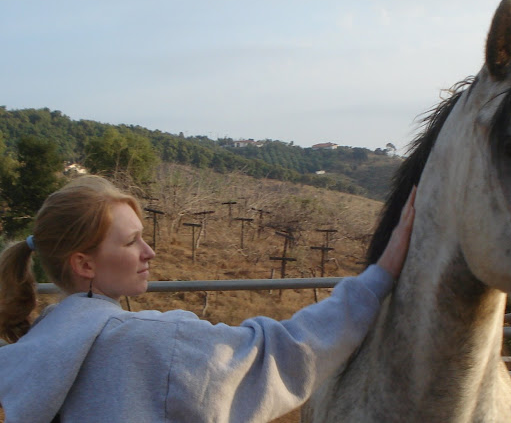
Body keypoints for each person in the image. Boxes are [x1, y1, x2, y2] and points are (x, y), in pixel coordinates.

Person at [0, 175, 416, 423]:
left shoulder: (31, 351)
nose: (150, 252)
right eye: (131, 241)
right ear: (84, 265)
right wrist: (377, 279)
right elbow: (282, 355)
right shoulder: (152, 343)